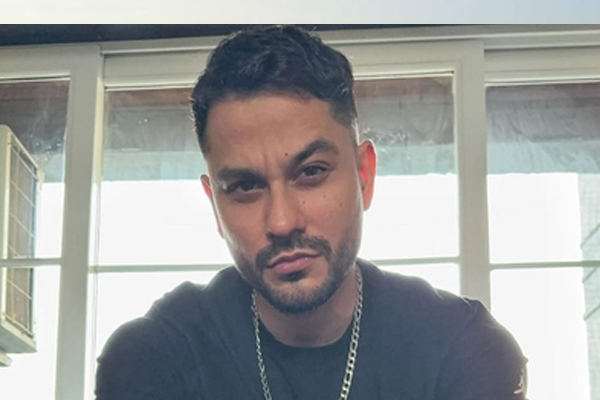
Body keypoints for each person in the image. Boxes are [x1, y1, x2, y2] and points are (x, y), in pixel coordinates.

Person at [95, 25, 528, 400]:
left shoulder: (462, 348)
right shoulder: (154, 357)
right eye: (245, 186)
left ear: (364, 176)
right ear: (214, 204)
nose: (282, 222)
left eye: (311, 172)